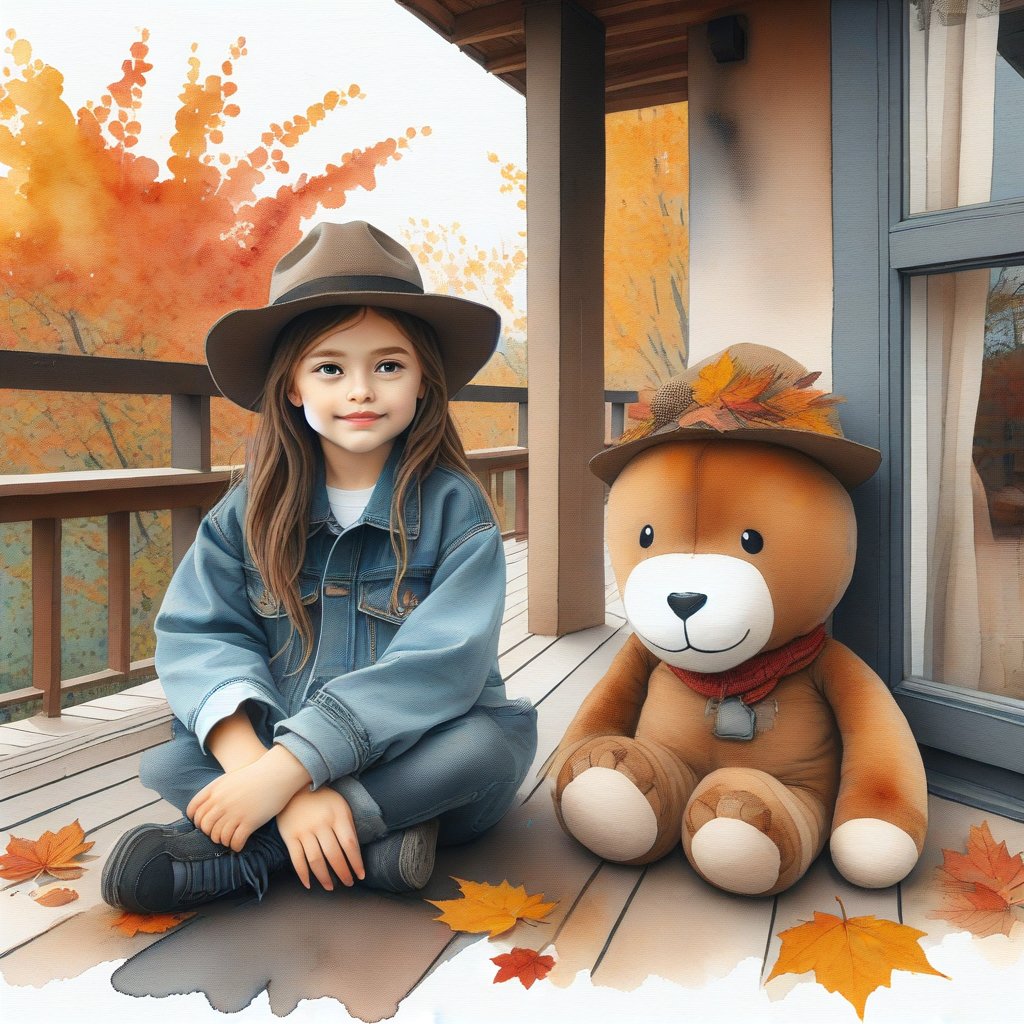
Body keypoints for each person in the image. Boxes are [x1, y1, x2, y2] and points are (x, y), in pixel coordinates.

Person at [101, 221, 538, 914]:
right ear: (294, 388)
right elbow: (198, 635)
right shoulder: (248, 511)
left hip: (414, 750)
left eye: (388, 366)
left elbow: (443, 663)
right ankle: (374, 847)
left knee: (486, 748)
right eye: (331, 367)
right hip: (282, 743)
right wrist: (260, 768)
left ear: (423, 381)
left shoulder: (458, 510)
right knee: (172, 754)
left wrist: (287, 776)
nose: (360, 389)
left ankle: (267, 851)